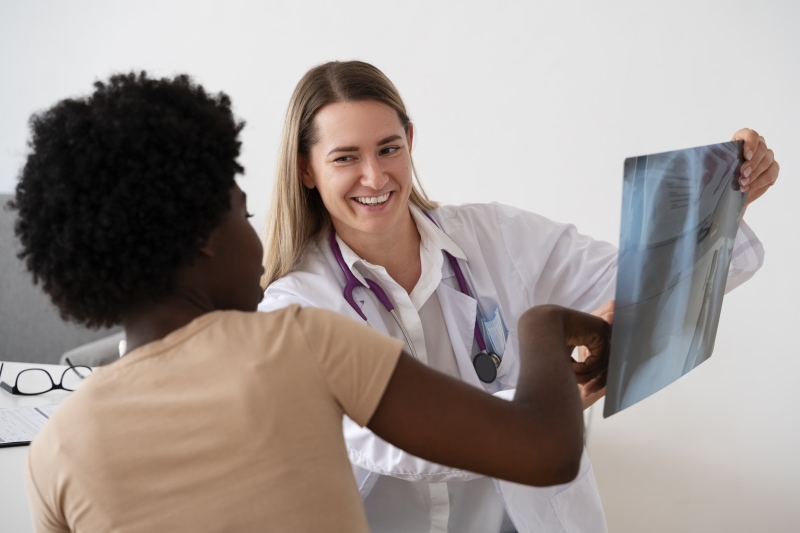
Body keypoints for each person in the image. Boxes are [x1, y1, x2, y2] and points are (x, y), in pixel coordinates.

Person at [13, 72, 612, 533]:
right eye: (244, 213)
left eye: (388, 149)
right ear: (204, 238)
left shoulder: (56, 449)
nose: (262, 240)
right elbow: (545, 448)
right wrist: (544, 323)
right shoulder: (299, 338)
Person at [259, 60, 779, 532]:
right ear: (306, 168)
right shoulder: (293, 308)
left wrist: (723, 200)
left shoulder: (496, 236)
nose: (374, 176)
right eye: (345, 157)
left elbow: (639, 284)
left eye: (388, 148)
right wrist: (542, 407)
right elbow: (390, 434)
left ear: (411, 141)